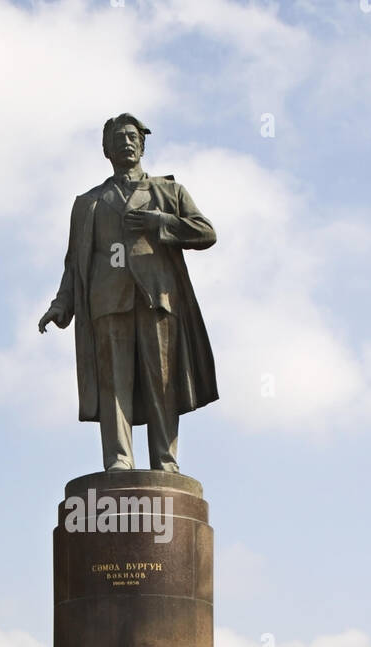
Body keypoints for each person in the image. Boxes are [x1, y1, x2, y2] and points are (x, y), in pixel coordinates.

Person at [38, 114, 218, 473]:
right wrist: (62, 304)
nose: (126, 142)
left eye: (132, 136)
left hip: (157, 298)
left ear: (143, 144)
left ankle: (165, 461)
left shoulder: (168, 192)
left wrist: (161, 222)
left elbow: (205, 232)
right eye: (118, 138)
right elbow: (75, 262)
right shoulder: (88, 202)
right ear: (106, 149)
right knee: (113, 385)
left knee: (161, 382)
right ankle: (119, 459)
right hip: (107, 301)